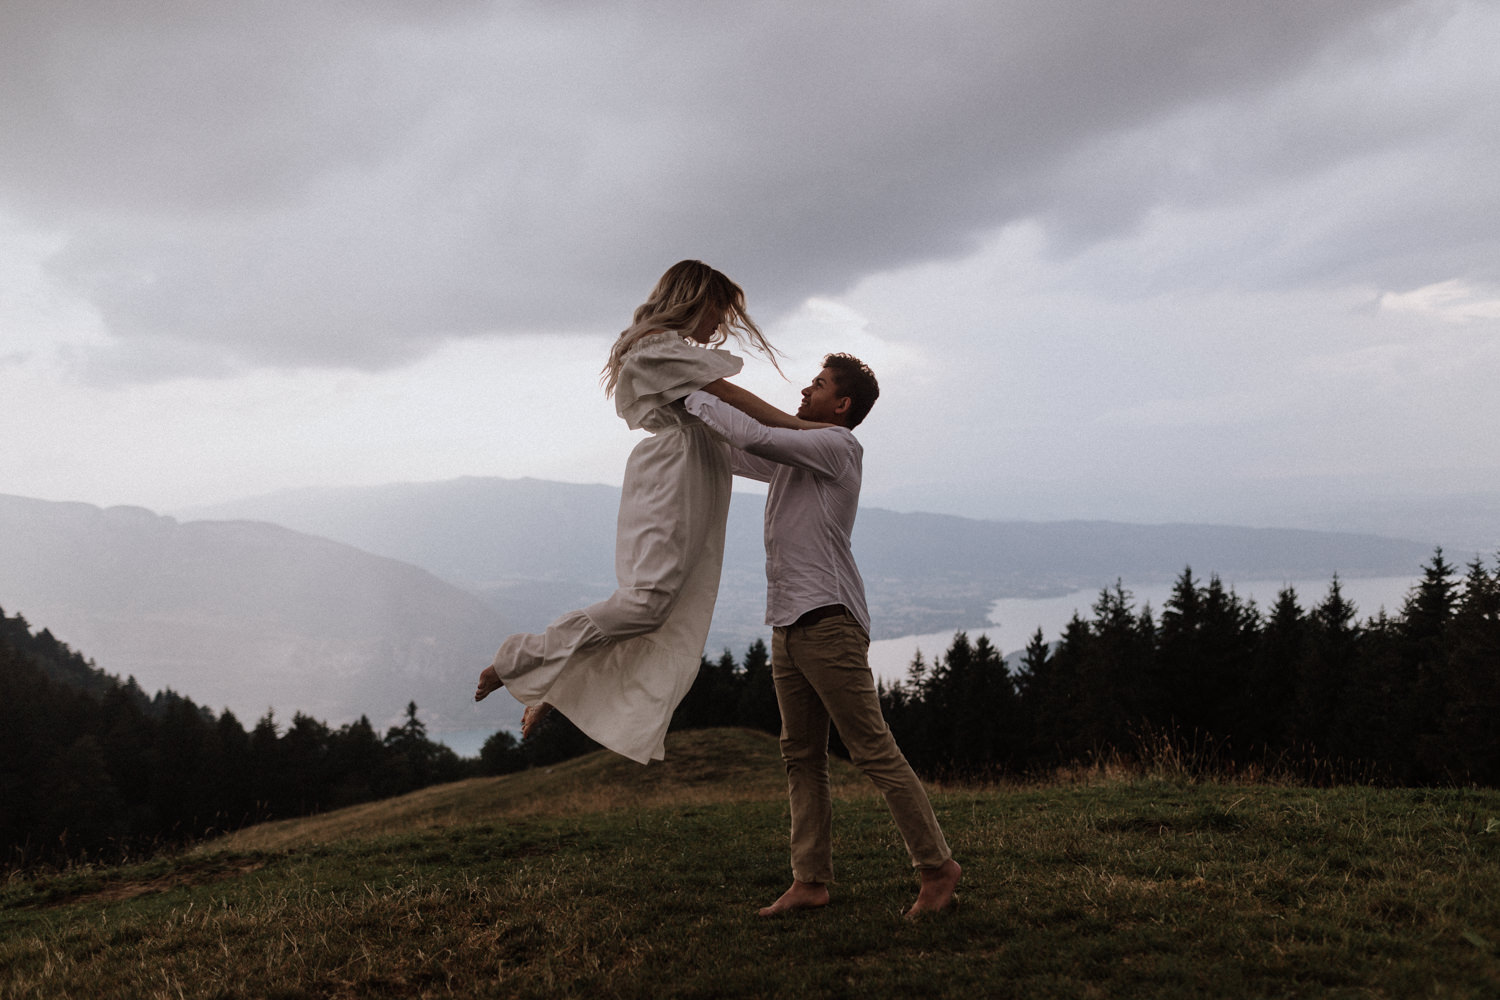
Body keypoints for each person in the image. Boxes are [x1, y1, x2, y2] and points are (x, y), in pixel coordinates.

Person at [473, 260, 819, 765]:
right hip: (675, 470)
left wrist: (800, 452)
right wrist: (801, 429)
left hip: (693, 466)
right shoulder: (656, 344)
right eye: (718, 313)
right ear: (696, 299)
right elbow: (729, 396)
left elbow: (724, 434)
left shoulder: (666, 349)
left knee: (667, 611)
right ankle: (520, 659)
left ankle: (552, 683)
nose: (719, 328)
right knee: (647, 604)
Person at [685, 355, 963, 918]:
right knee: (801, 754)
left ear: (842, 406)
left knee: (871, 750)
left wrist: (694, 385)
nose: (806, 390)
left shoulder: (838, 447)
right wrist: (679, 410)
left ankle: (937, 868)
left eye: (818, 385)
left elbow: (749, 431)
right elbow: (732, 448)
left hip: (829, 619)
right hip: (789, 621)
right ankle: (810, 881)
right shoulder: (795, 454)